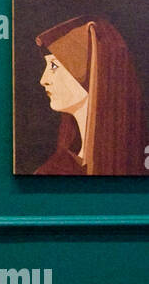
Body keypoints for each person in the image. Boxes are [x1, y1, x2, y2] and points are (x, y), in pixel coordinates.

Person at [33, 15, 147, 175]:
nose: (43, 80)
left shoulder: (135, 163)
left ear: (91, 69)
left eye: (53, 66)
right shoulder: (55, 169)